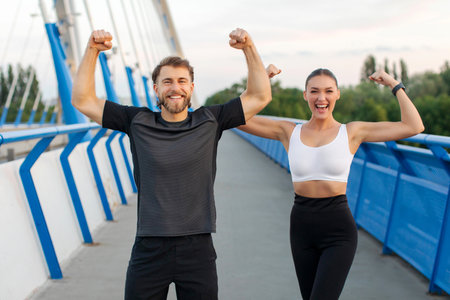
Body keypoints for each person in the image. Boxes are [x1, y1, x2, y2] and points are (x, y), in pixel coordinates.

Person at [72, 28, 273, 300]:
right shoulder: (137, 121)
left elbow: (260, 96)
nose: (175, 88)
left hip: (198, 248)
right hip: (149, 247)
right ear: (156, 89)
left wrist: (248, 47)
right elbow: (83, 100)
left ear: (191, 87)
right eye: (167, 82)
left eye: (181, 81)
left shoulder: (210, 120)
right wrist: (92, 50)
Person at [239, 66, 424, 300]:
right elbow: (238, 118)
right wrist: (260, 81)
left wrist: (393, 84)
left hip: (338, 229)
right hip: (301, 227)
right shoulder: (288, 131)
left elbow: (414, 126)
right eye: (314, 91)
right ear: (305, 95)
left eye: (328, 91)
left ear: (338, 94)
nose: (321, 98)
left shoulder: (352, 131)